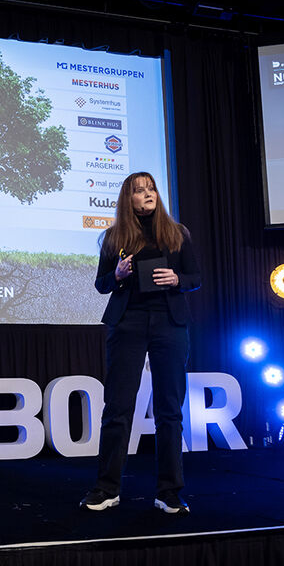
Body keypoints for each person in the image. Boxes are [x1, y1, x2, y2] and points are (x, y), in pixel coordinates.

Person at [80, 172, 201, 515]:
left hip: (169, 323)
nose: (147, 194)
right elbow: (101, 284)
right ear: (127, 198)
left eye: (150, 188)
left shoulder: (178, 234)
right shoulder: (113, 237)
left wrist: (178, 278)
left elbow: (196, 278)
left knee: (169, 410)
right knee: (117, 409)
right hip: (127, 323)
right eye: (138, 190)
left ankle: (169, 492)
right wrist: (117, 275)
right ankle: (107, 488)